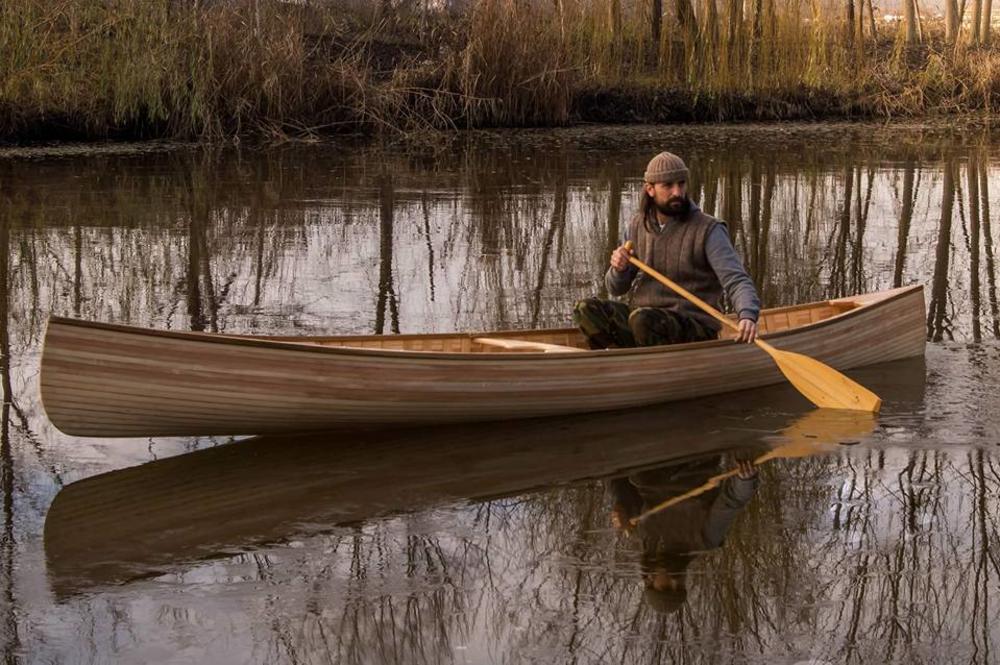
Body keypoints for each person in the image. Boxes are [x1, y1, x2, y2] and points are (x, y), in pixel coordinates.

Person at [573, 151, 761, 349]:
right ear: (650, 189)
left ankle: (639, 359)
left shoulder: (709, 230)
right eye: (668, 185)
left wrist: (747, 315)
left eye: (681, 184)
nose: (677, 192)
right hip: (644, 320)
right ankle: (617, 357)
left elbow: (737, 280)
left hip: (694, 325)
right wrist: (619, 270)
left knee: (642, 319)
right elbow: (616, 289)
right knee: (585, 309)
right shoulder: (637, 226)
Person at [608, 452, 759, 614]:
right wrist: (745, 481)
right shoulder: (705, 539)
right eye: (680, 586)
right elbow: (732, 501)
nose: (675, 581)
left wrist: (621, 505)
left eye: (667, 587)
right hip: (695, 456)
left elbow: (618, 476)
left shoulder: (637, 531)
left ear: (649, 581)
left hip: (646, 458)